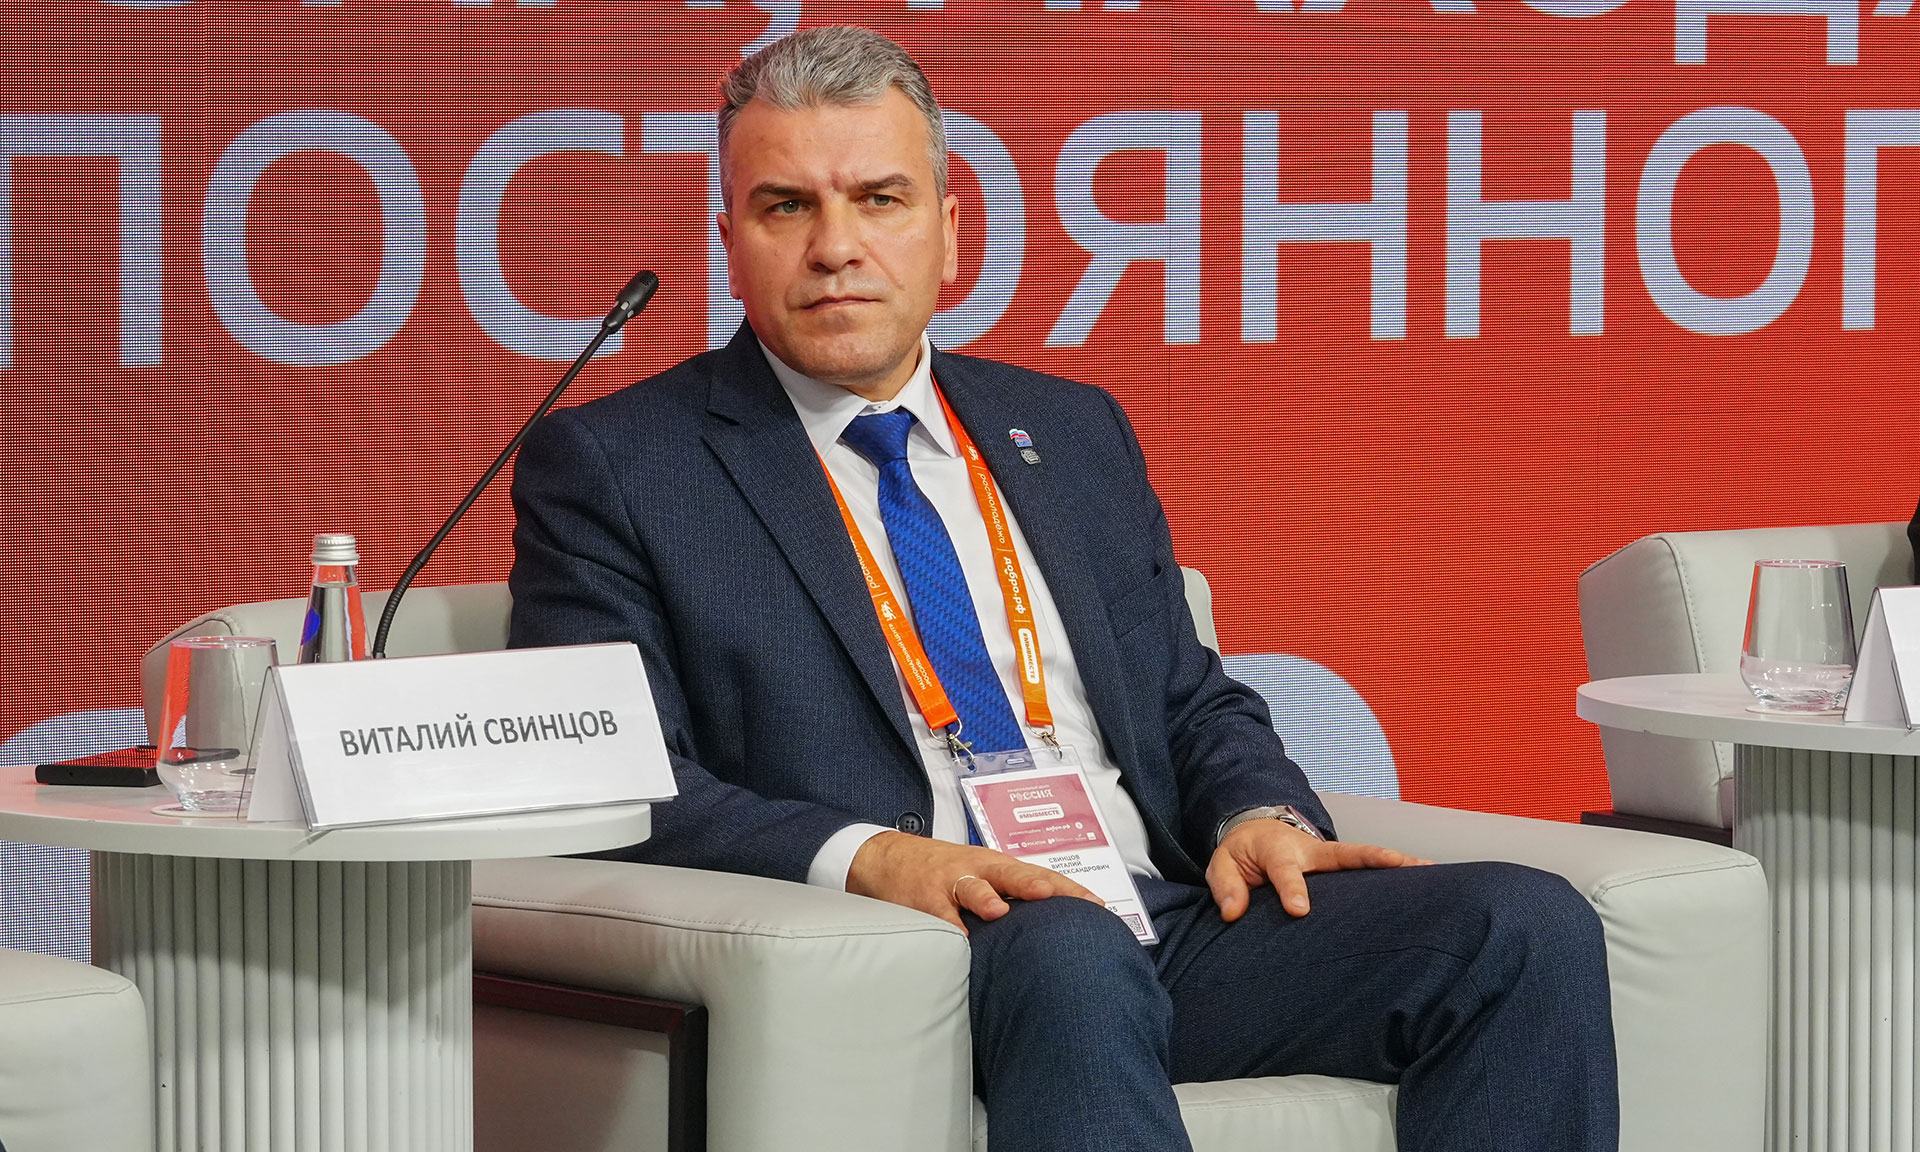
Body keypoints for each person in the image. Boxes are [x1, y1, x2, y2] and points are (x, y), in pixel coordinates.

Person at [509, 25, 1617, 1152]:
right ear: (730, 243)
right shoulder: (621, 467)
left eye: (881, 199)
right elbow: (618, 782)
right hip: (924, 942)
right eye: (787, 206)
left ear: (949, 233)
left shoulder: (1070, 430)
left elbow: (1189, 697)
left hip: (1161, 917)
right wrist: (874, 856)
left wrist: (1258, 813)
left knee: (1521, 924)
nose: (836, 247)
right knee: (1067, 948)